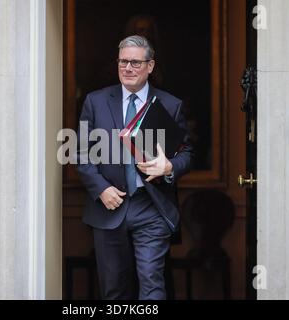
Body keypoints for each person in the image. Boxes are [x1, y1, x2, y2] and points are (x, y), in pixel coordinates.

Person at [76, 35, 193, 300]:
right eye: (122, 62)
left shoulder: (170, 105)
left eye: (135, 63)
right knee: (113, 289)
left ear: (150, 66)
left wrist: (169, 166)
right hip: (108, 206)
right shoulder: (96, 101)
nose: (127, 68)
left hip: (150, 205)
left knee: (152, 284)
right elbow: (81, 153)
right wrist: (101, 188)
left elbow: (188, 153)